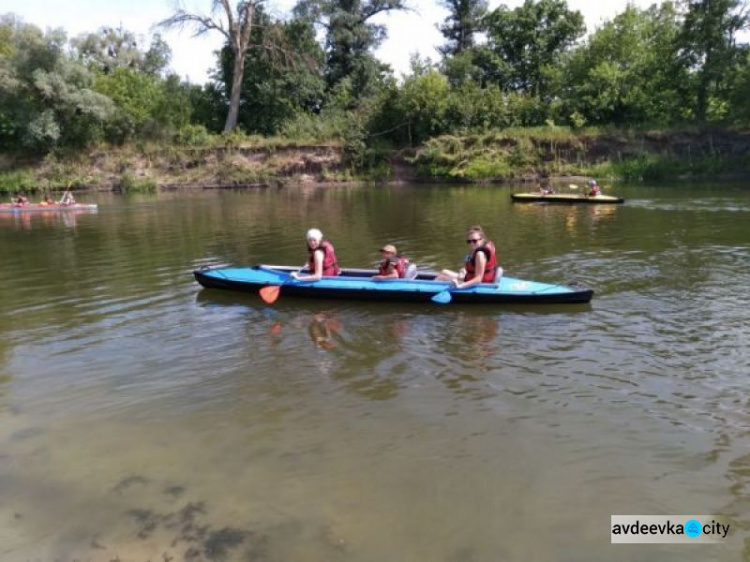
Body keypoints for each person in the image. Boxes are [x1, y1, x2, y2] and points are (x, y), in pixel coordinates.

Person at [434, 225, 499, 289]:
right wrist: (465, 270)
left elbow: (478, 279)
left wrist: (460, 286)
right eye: (469, 241)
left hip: (480, 283)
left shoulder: (480, 254)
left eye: (474, 241)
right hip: (471, 277)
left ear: (482, 239)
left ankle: (429, 292)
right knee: (444, 271)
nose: (471, 244)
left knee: (442, 277)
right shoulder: (487, 246)